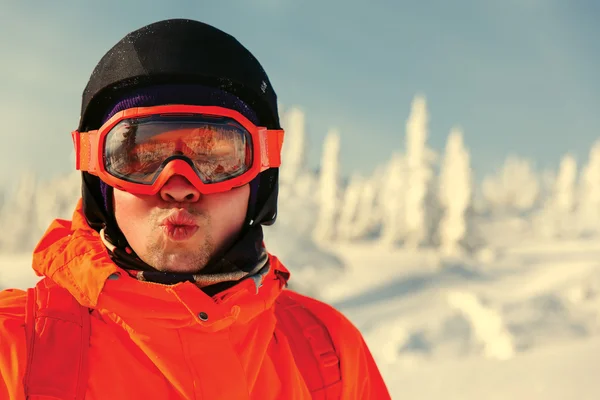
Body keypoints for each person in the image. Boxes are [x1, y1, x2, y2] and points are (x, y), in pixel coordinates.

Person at [0, 19, 391, 399]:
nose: (179, 187)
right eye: (142, 156)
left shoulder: (329, 355)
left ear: (261, 177)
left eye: (215, 157)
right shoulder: (15, 352)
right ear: (99, 178)